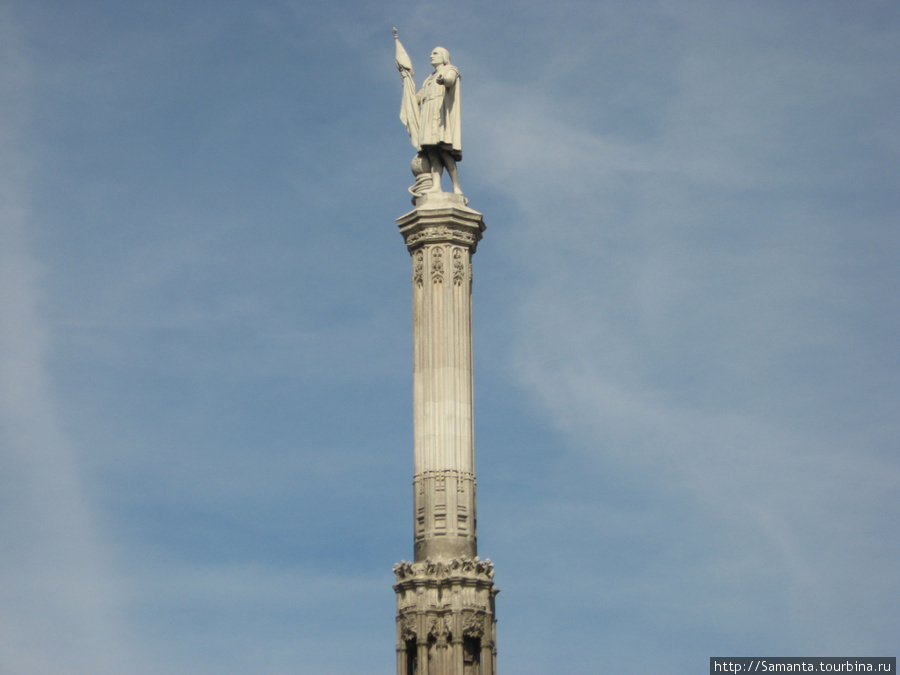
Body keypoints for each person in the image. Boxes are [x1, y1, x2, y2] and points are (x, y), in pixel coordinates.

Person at [415, 47, 462, 194]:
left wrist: (443, 80)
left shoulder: (451, 69)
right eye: (431, 53)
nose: (431, 56)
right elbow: (418, 98)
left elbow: (450, 80)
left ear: (444, 56)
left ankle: (456, 186)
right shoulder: (429, 78)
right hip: (428, 114)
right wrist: (407, 85)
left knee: (444, 151)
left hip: (440, 114)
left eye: (435, 53)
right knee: (432, 152)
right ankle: (436, 185)